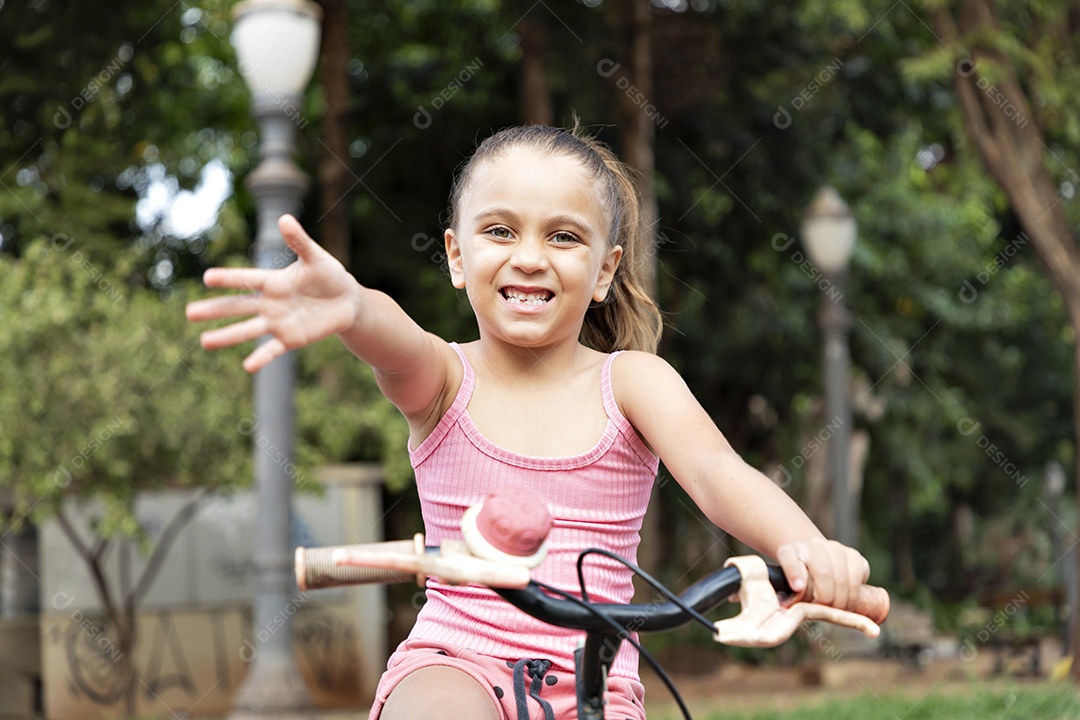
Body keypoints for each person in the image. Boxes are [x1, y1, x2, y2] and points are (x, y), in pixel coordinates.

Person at [186, 124, 872, 720]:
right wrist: (355, 310)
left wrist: (807, 546)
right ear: (457, 256)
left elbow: (719, 475)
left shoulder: (633, 381)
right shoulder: (445, 379)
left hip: (598, 680)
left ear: (604, 272)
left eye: (563, 237)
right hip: (456, 660)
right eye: (500, 231)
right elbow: (398, 344)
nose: (530, 257)